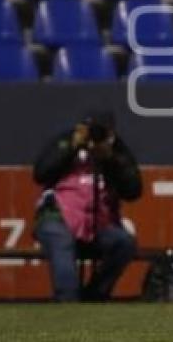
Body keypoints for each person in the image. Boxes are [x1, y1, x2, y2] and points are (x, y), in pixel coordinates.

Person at [32, 110, 142, 302]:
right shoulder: (67, 141)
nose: (95, 135)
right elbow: (40, 173)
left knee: (124, 243)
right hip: (58, 216)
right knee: (60, 239)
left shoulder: (116, 149)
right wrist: (72, 146)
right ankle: (68, 301)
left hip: (100, 224)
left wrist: (111, 159)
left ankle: (95, 295)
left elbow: (133, 191)